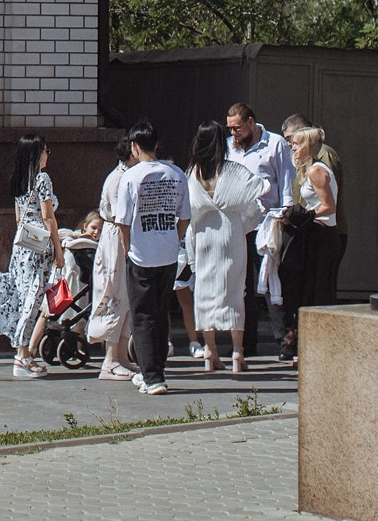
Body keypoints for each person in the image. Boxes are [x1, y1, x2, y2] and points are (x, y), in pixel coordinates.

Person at [0, 135, 62, 378]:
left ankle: (23, 352)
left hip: (22, 246)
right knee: (32, 299)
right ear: (38, 153)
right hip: (38, 248)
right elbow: (48, 217)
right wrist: (58, 250)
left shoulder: (19, 180)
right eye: (46, 150)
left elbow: (19, 218)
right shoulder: (42, 179)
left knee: (22, 296)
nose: (48, 154)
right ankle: (22, 356)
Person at [109, 121, 188, 396]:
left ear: (133, 146)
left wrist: (128, 247)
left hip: (141, 254)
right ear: (156, 144)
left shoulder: (130, 176)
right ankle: (157, 371)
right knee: (161, 313)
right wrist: (174, 240)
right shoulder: (177, 173)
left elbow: (123, 222)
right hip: (168, 253)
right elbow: (185, 216)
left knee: (143, 316)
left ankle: (151, 376)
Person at [186, 121, 266, 374]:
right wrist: (242, 224)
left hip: (203, 236)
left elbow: (187, 211)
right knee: (235, 292)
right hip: (230, 234)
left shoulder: (193, 173)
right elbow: (256, 198)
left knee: (204, 293)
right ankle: (237, 352)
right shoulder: (234, 171)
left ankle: (210, 351)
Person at [225, 103, 295, 356]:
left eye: (238, 128)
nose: (234, 134)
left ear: (251, 123)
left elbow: (287, 180)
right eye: (230, 129)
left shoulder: (275, 144)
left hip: (266, 223)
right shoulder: (229, 146)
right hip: (238, 224)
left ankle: (284, 340)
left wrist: (285, 213)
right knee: (241, 284)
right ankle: (245, 341)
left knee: (270, 280)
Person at [277, 125, 347, 360]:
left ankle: (320, 348)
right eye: (292, 144)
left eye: (297, 144)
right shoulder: (309, 170)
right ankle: (308, 346)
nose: (293, 149)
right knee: (308, 290)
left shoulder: (317, 171)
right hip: (316, 235)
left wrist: (304, 215)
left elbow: (329, 206)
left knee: (318, 291)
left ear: (309, 146)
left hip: (323, 236)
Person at [89, 135, 137, 381]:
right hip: (116, 239)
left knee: (126, 296)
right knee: (114, 294)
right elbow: (121, 216)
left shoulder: (129, 175)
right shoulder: (118, 179)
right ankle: (109, 360)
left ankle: (122, 356)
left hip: (123, 238)